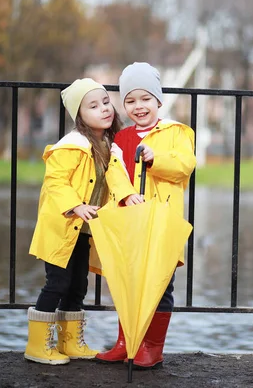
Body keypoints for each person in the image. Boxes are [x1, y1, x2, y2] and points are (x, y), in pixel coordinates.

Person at [24, 78, 135, 365]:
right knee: (57, 283)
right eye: (93, 106)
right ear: (80, 116)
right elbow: (55, 182)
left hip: (84, 230)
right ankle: (37, 346)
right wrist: (75, 205)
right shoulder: (72, 145)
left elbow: (117, 177)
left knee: (77, 285)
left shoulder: (108, 146)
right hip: (62, 226)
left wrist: (128, 196)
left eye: (106, 102)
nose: (104, 109)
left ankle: (69, 342)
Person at [95, 62, 196, 369]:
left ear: (158, 101)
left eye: (145, 99)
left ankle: (152, 347)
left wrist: (156, 157)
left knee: (160, 284)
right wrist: (127, 194)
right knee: (128, 281)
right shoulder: (121, 138)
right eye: (130, 101)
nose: (138, 107)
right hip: (129, 221)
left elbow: (184, 166)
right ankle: (126, 343)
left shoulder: (177, 133)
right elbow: (114, 171)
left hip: (162, 223)